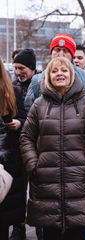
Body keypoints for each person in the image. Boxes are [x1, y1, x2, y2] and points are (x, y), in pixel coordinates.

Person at [20, 57, 85, 240]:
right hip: (46, 180)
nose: (59, 74)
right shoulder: (39, 104)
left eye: (64, 70)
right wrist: (33, 164)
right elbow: (26, 137)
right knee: (51, 231)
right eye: (54, 71)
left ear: (71, 74)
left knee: (77, 231)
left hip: (78, 179)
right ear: (48, 76)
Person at [24, 33, 85, 115]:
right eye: (57, 50)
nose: (61, 54)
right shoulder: (37, 80)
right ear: (51, 53)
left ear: (72, 55)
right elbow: (30, 112)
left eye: (66, 51)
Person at [9, 48, 37, 240]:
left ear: (32, 68)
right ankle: (19, 225)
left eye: (22, 68)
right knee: (17, 190)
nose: (18, 72)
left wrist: (22, 121)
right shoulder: (10, 87)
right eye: (15, 68)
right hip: (16, 148)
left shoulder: (41, 86)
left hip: (37, 147)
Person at [0, 57, 26, 240]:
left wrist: (19, 122)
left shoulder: (12, 91)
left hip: (7, 162)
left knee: (3, 220)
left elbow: (25, 118)